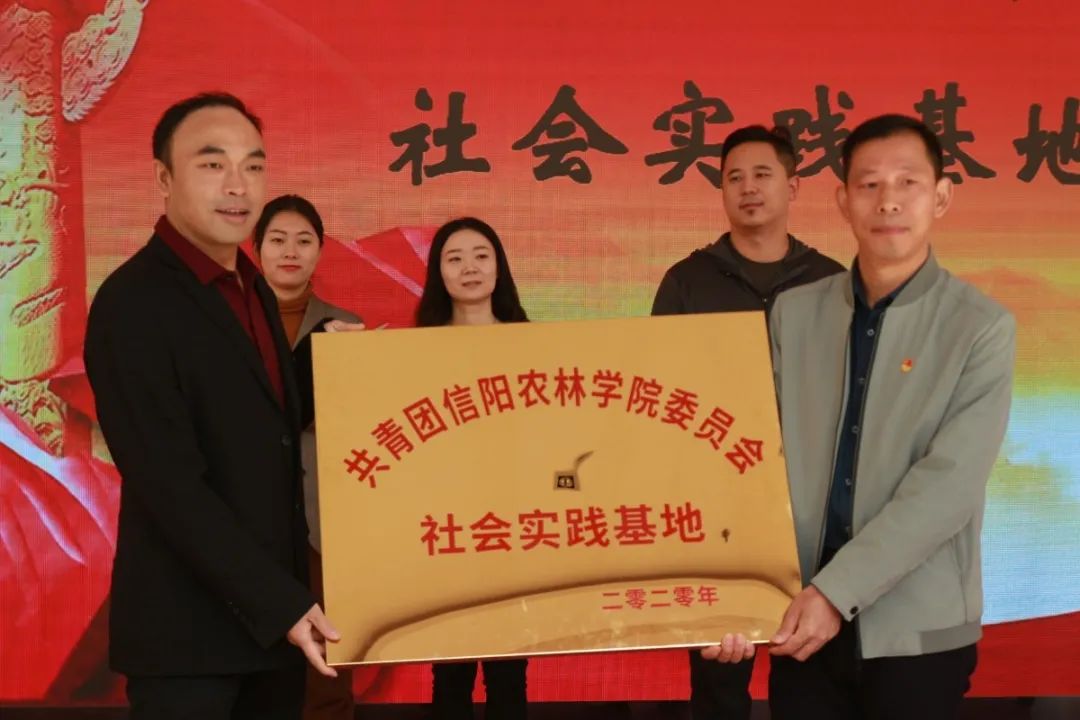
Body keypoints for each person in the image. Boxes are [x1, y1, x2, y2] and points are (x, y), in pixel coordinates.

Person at [84, 93, 338, 720]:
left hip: (271, 638)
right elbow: (170, 486)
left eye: (253, 165)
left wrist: (330, 364)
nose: (237, 185)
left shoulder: (251, 286)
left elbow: (256, 419)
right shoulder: (132, 303)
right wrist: (281, 603)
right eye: (212, 163)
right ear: (163, 178)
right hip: (189, 643)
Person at [761, 114, 1016, 719]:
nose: (888, 201)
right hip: (802, 620)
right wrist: (736, 596)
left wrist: (835, 592)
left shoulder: (980, 327)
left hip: (916, 628)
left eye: (908, 182)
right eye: (869, 184)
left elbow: (947, 488)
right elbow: (756, 457)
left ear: (941, 197)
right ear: (843, 200)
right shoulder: (793, 314)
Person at [652, 125, 843, 720]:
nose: (748, 188)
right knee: (720, 670)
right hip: (716, 505)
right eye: (734, 178)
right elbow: (658, 396)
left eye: (762, 174)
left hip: (811, 505)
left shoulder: (832, 282)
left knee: (811, 672)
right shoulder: (688, 281)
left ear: (793, 186)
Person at [253, 194, 363, 720]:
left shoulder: (347, 326)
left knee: (329, 660)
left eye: (304, 240)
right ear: (256, 249)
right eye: (277, 240)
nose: (290, 252)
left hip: (327, 517)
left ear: (320, 250)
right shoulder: (225, 326)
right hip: (249, 515)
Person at [416, 216, 529, 720]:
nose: (469, 268)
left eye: (481, 256)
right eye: (454, 258)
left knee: (510, 674)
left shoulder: (532, 344)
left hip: (518, 527)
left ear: (499, 267)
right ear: (438, 272)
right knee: (450, 675)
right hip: (447, 531)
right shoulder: (412, 350)